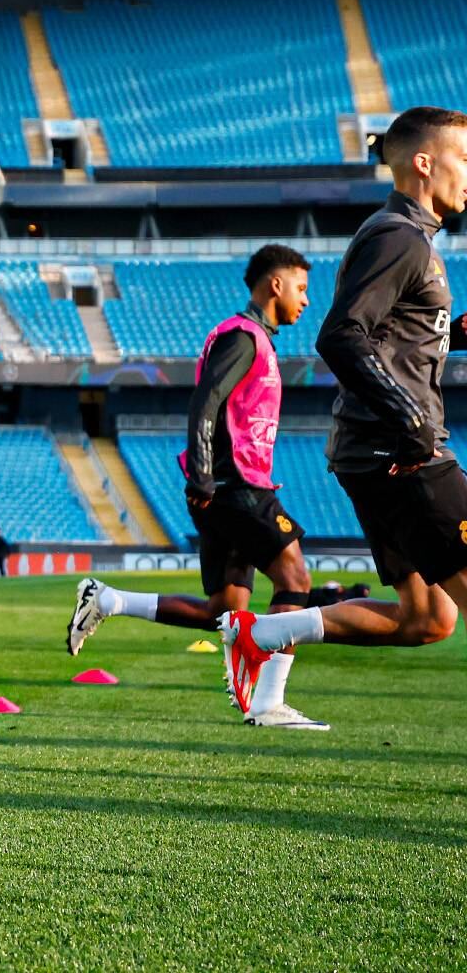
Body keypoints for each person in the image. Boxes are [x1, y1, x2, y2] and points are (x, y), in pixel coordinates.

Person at [220, 106, 467, 717]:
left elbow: (388, 335)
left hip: (374, 453)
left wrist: (451, 333)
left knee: (426, 618)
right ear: (424, 163)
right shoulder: (399, 236)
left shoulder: (407, 236)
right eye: (465, 159)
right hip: (402, 453)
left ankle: (264, 632)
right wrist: (410, 419)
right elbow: (341, 335)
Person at [70, 245, 326, 730]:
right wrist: (203, 475)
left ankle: (108, 600)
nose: (306, 299)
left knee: (223, 610)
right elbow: (206, 402)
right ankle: (268, 702)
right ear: (276, 285)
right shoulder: (244, 337)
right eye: (301, 287)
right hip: (236, 484)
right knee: (295, 580)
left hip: (226, 485)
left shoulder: (253, 339)